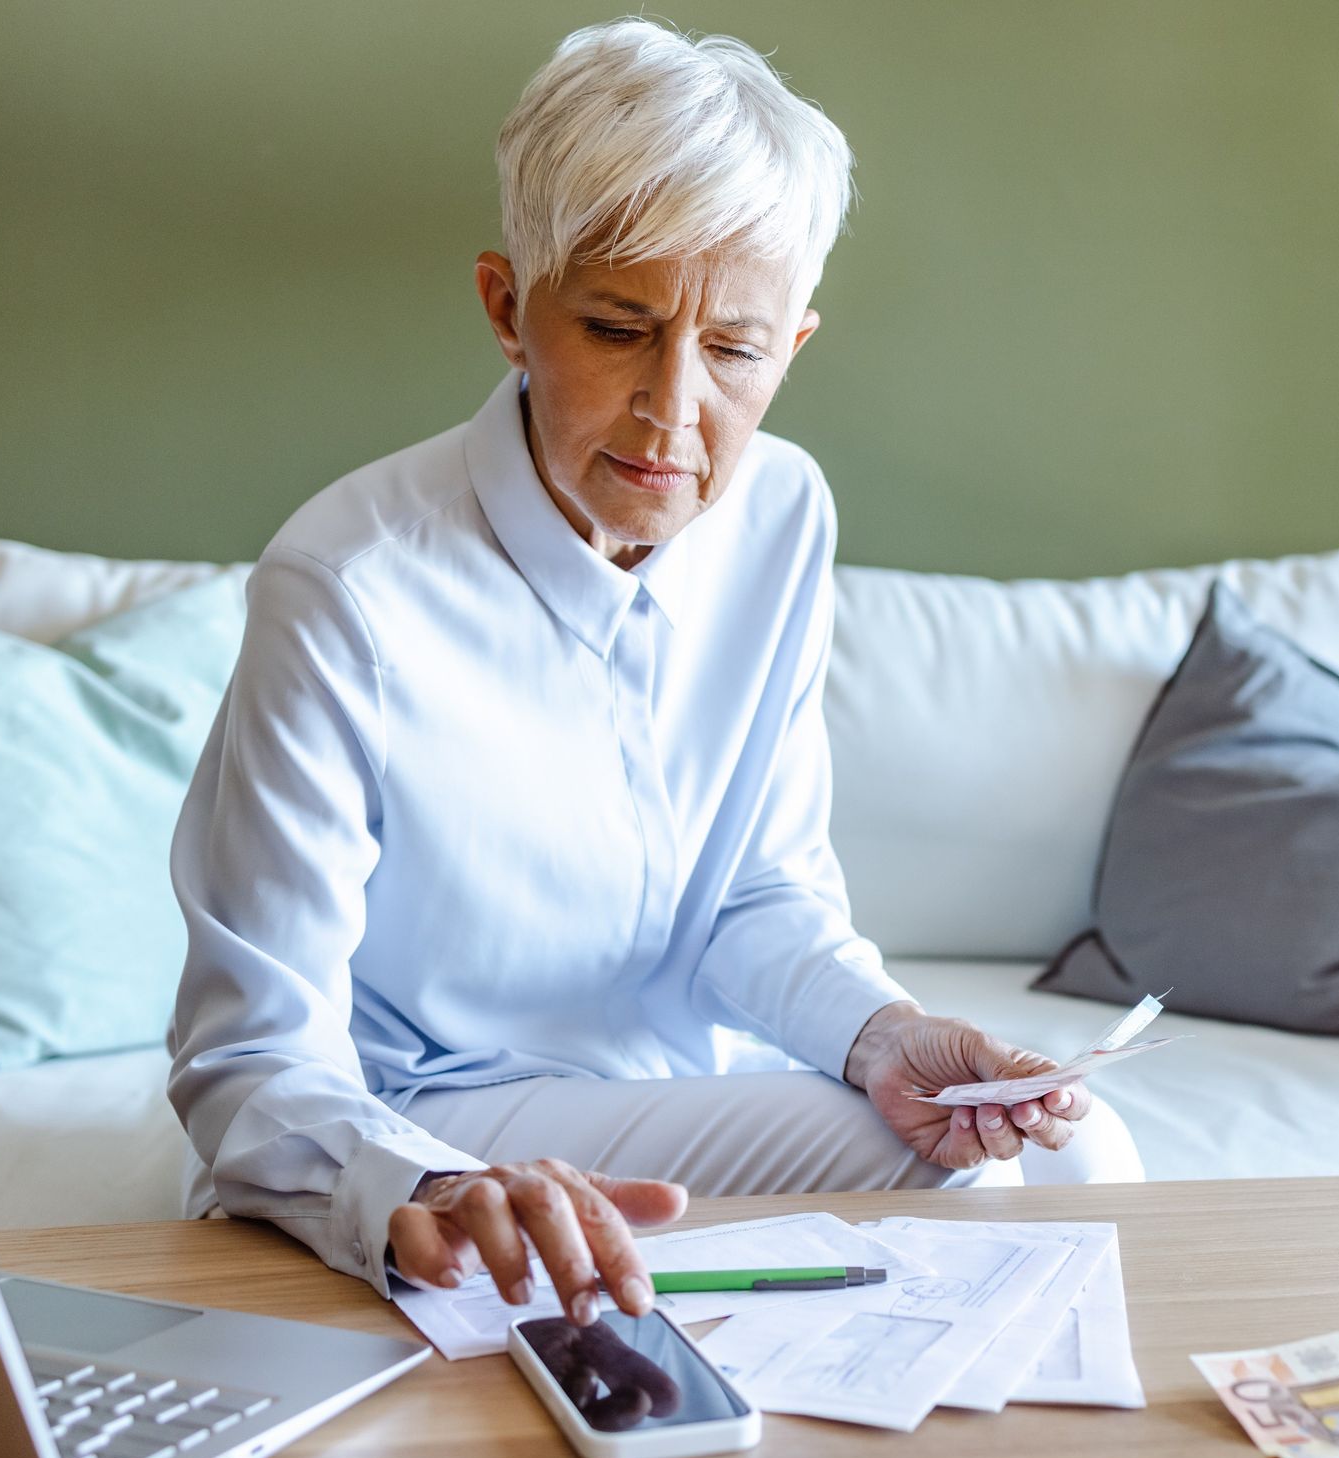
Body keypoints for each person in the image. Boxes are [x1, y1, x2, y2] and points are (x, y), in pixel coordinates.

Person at [167, 17, 1143, 1334]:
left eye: (732, 350)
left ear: (791, 347)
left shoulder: (785, 513)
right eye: (621, 327)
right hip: (434, 1119)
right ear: (510, 310)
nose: (671, 410)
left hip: (679, 1100)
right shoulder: (347, 583)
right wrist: (424, 1186)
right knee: (986, 1193)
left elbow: (757, 892)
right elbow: (247, 1057)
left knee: (1075, 1150)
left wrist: (886, 1037)